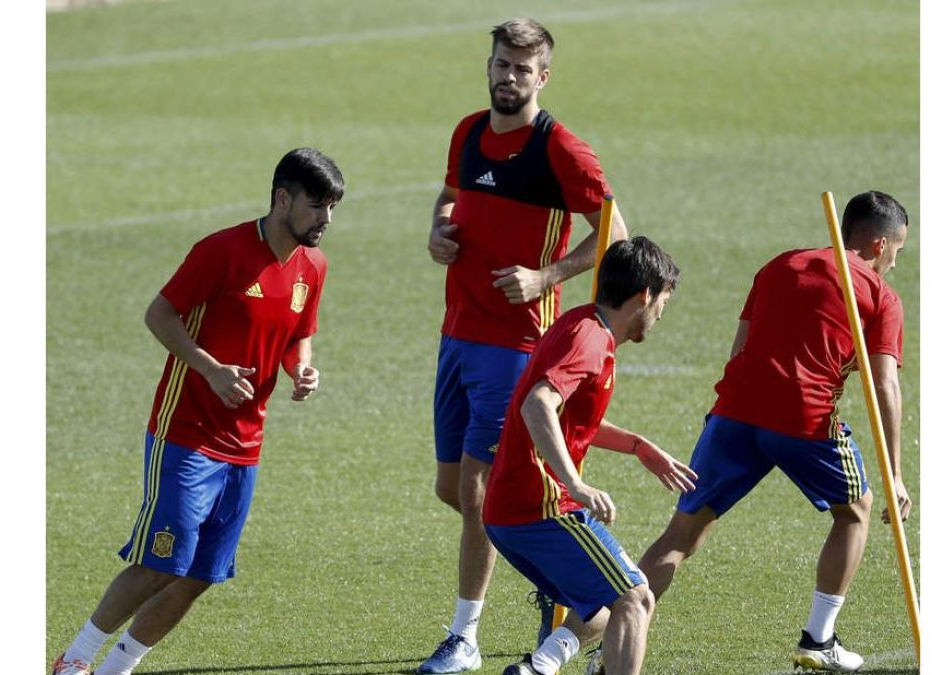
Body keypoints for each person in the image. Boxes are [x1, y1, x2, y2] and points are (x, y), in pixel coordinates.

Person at [50, 148, 345, 675]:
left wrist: (302, 368)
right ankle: (75, 659)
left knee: (201, 574)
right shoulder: (222, 252)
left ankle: (119, 665)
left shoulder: (313, 267)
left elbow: (299, 335)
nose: (327, 219)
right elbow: (159, 314)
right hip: (186, 433)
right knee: (160, 562)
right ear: (283, 199)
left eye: (333, 207)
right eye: (318, 205)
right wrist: (210, 369)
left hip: (246, 443)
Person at [594, 191, 910, 674]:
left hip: (735, 412)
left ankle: (609, 647)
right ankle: (819, 638)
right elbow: (885, 382)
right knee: (856, 511)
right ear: (879, 243)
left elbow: (740, 346)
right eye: (897, 253)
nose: (895, 263)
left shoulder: (779, 265)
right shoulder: (880, 296)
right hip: (805, 420)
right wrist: (896, 474)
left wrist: (720, 415)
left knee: (682, 533)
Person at [418, 17, 631, 674]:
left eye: (521, 69)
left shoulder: (562, 150)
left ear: (543, 76)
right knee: (453, 489)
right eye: (499, 64)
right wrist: (439, 229)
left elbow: (615, 236)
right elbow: (450, 197)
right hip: (457, 335)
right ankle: (558, 583)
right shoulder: (468, 132)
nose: (507, 77)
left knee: (481, 490)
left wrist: (545, 276)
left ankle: (464, 637)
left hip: (516, 345)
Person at [482, 236, 697, 675]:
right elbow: (538, 404)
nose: (659, 318)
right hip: (540, 507)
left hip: (513, 510)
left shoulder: (582, 324)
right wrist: (576, 484)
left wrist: (637, 446)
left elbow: (568, 418)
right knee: (636, 597)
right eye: (662, 306)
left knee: (604, 608)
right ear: (645, 296)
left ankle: (537, 667)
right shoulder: (590, 339)